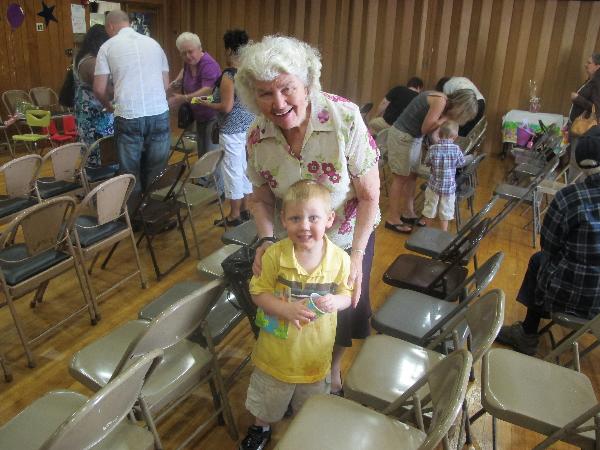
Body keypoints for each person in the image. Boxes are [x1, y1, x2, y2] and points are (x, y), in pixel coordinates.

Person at [236, 35, 380, 399]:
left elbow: (369, 195)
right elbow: (261, 197)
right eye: (265, 93)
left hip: (347, 236)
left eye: (287, 88)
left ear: (307, 83)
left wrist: (357, 256)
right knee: (294, 308)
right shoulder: (256, 137)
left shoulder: (344, 118)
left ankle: (331, 371)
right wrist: (266, 240)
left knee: (341, 311)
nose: (278, 103)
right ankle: (292, 372)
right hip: (292, 239)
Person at [240, 180, 352, 450]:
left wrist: (337, 301)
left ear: (329, 219)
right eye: (295, 218)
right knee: (269, 396)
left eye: (313, 218)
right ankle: (261, 427)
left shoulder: (339, 259)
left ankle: (304, 428)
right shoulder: (274, 255)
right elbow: (258, 292)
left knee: (309, 401)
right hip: (276, 351)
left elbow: (347, 294)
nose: (304, 226)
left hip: (315, 354)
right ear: (283, 219)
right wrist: (285, 310)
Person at [496, 135, 600, 356]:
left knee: (539, 260)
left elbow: (548, 245)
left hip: (571, 295)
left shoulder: (570, 197)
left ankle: (527, 333)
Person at [94, 10, 170, 211]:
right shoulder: (154, 44)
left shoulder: (107, 47)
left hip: (128, 114)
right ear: (128, 22)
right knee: (157, 168)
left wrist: (109, 105)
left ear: (110, 26)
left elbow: (99, 89)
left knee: (130, 171)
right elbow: (165, 84)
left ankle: (135, 216)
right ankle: (154, 213)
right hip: (159, 112)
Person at [384, 89, 477, 234]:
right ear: (460, 107)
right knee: (400, 178)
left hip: (413, 138)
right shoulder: (440, 101)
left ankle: (408, 213)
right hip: (402, 136)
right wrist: (445, 118)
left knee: (412, 176)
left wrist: (441, 147)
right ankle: (392, 219)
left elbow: (433, 133)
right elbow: (426, 128)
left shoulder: (444, 105)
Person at [195, 29, 255, 227]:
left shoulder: (230, 75)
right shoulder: (250, 74)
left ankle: (234, 215)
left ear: (229, 50)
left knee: (232, 171)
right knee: (245, 170)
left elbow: (226, 107)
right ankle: (245, 210)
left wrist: (206, 103)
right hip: (248, 128)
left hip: (231, 131)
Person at [73, 24, 114, 159]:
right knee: (100, 149)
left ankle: (93, 169)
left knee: (91, 148)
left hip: (86, 110)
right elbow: (105, 90)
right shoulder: (93, 62)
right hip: (96, 112)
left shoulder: (83, 58)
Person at [422, 120, 470, 231]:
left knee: (430, 208)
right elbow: (461, 163)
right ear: (455, 136)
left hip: (434, 185)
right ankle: (443, 232)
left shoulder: (433, 148)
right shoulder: (456, 149)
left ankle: (426, 231)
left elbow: (427, 162)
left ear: (439, 134)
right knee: (446, 210)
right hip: (449, 187)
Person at [568, 54, 600, 181]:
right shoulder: (590, 80)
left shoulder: (597, 83)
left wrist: (577, 99)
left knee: (576, 162)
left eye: (589, 63)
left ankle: (574, 187)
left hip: (583, 130)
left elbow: (597, 108)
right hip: (577, 127)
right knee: (573, 161)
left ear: (597, 66)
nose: (586, 65)